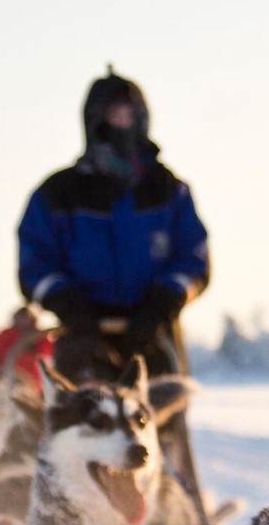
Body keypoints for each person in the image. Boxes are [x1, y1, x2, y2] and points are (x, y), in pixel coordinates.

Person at [16, 70, 209, 384]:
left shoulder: (169, 190)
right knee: (86, 426)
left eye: (129, 114)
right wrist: (68, 303)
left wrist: (164, 300)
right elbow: (34, 261)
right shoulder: (58, 194)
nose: (122, 122)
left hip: (154, 331)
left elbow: (194, 257)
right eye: (114, 114)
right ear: (95, 121)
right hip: (82, 331)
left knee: (162, 425)